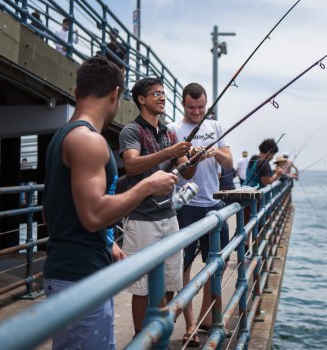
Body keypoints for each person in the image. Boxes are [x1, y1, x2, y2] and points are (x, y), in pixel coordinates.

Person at [42, 57, 179, 350]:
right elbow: (92, 215)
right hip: (81, 279)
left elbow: (55, 210)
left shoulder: (63, 136)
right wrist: (145, 187)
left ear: (77, 90)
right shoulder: (89, 141)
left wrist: (107, 242)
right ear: (116, 94)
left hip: (67, 272)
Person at [118, 77, 195, 336]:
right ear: (141, 99)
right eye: (156, 94)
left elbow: (188, 172)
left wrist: (195, 157)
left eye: (163, 94)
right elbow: (131, 165)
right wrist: (169, 152)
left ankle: (158, 334)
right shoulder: (131, 131)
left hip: (169, 215)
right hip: (141, 219)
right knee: (142, 287)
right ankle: (142, 337)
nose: (162, 98)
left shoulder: (169, 132)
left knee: (171, 281)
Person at [167, 82, 233, 347]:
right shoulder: (173, 130)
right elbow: (183, 171)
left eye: (201, 107)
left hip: (213, 205)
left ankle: (207, 317)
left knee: (219, 261)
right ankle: (190, 325)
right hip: (187, 206)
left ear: (207, 105)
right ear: (183, 104)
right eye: (192, 107)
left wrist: (213, 151)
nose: (197, 112)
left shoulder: (215, 127)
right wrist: (192, 157)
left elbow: (227, 162)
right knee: (183, 267)